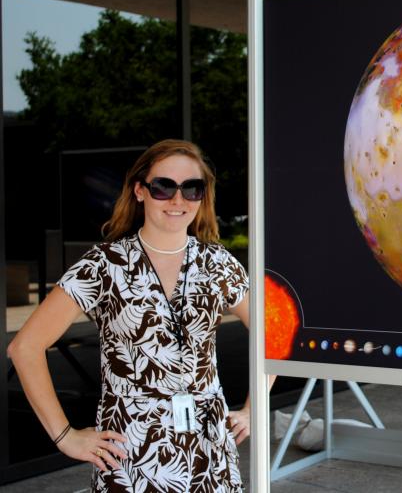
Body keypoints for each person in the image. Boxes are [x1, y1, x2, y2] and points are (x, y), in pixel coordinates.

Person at [7, 139, 251, 492]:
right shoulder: (104, 265)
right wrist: (65, 436)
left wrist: (253, 411)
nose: (178, 200)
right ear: (140, 191)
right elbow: (25, 347)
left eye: (192, 188)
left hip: (209, 454)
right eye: (164, 187)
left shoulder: (218, 264)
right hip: (132, 457)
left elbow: (273, 332)